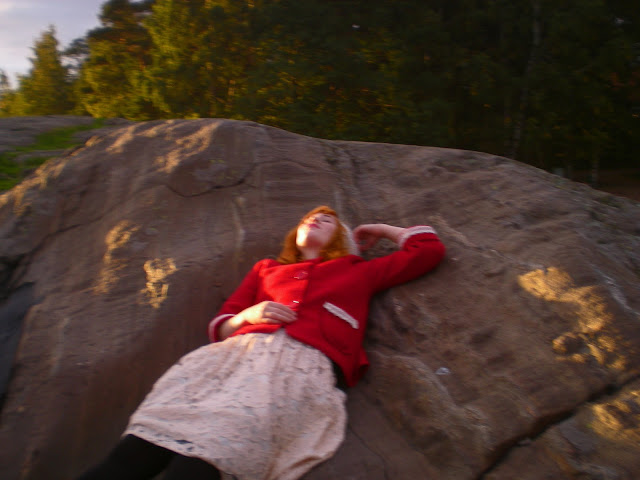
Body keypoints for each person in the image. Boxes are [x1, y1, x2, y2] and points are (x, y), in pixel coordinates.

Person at [76, 206, 446, 480]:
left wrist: (381, 230)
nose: (313, 220)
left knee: (199, 467)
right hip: (227, 364)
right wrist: (248, 316)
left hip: (294, 373)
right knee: (133, 454)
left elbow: (428, 251)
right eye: (307, 218)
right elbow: (222, 324)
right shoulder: (266, 269)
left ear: (343, 238)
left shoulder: (360, 271)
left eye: (326, 220)